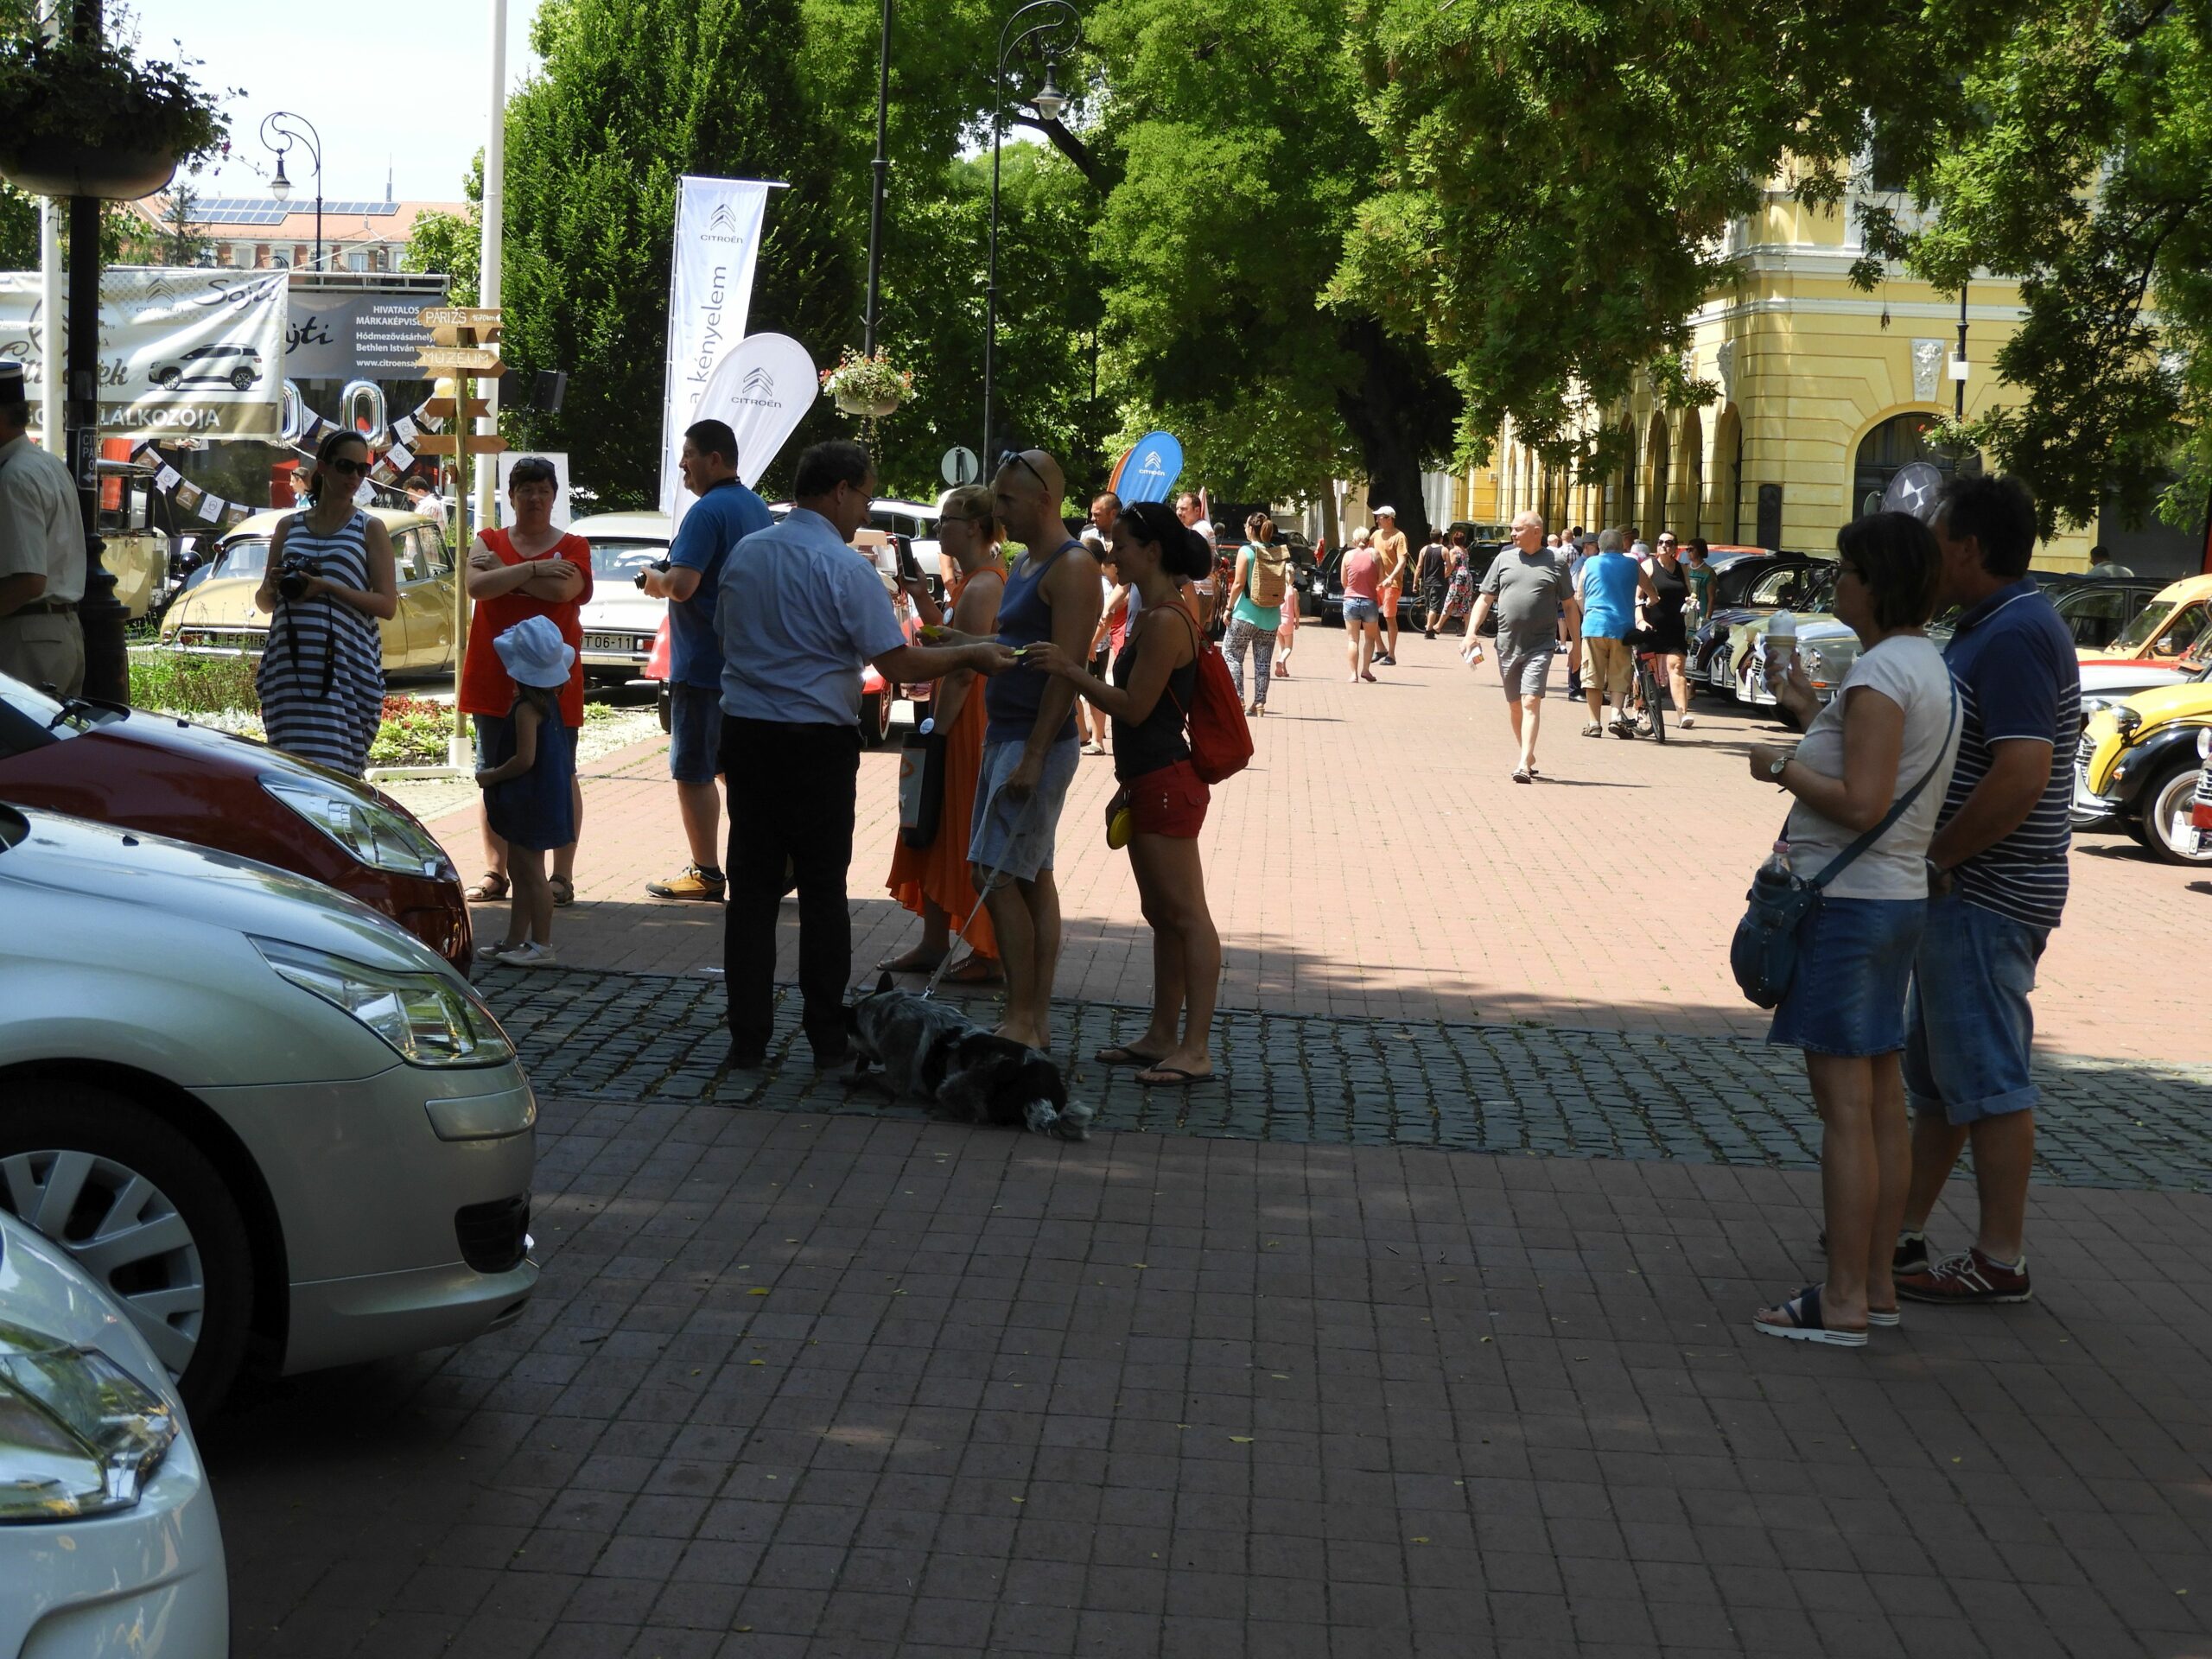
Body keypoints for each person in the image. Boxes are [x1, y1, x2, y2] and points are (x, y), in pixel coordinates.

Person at [718, 440, 1013, 1068]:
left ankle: (748, 1037)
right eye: (865, 495)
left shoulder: (747, 552)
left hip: (746, 733)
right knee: (823, 891)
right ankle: (826, 1036)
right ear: (838, 492)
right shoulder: (844, 567)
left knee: (751, 891)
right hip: (814, 742)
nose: (865, 510)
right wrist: (970, 653)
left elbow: (727, 635)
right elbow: (898, 661)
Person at [1746, 512, 1961, 1344]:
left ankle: (1841, 1298)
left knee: (1847, 1109)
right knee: (1878, 1105)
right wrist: (1810, 715)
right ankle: (1873, 1286)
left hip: (1849, 905)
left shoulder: (1880, 673)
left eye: (1845, 568)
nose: (1835, 580)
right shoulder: (1925, 667)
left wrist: (1782, 766)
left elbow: (1862, 802)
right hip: (1895, 896)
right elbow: (1881, 779)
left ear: (1875, 582)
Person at [1896, 474, 2082, 1305]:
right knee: (1944, 1082)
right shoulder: (1997, 626)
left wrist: (1939, 858)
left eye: (1937, 541)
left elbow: (2022, 772)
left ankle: (1999, 1257)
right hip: (1975, 889)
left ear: (1967, 548)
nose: (1930, 558)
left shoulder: (2012, 634)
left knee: (1990, 1080)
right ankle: (1898, 1231)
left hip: (1986, 891)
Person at [1026, 499, 1219, 1087]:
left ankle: (1195, 1048)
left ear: (1152, 551)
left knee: (1186, 917)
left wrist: (1071, 670)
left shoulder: (1165, 619)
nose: (1112, 555)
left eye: (1123, 545)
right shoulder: (1159, 611)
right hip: (1149, 780)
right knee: (1161, 915)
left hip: (1166, 780)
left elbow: (1134, 707)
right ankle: (1164, 1035)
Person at [971, 448, 1103, 1052]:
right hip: (1008, 733)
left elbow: (1065, 669)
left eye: (1007, 500)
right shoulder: (1027, 560)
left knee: (992, 872)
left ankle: (1024, 1016)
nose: (998, 512)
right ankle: (1031, 1019)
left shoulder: (1072, 566)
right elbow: (1022, 644)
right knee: (1028, 875)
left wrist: (1033, 755)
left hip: (1034, 741)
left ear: (1044, 500)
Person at [639, 419, 772, 902]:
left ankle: (707, 872)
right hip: (746, 665)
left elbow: (682, 585)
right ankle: (760, 866)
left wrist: (653, 577)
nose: (682, 465)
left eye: (690, 454)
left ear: (715, 459)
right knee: (738, 773)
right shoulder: (755, 507)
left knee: (693, 770)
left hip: (701, 666)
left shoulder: (705, 512)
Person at [882, 483, 1009, 983]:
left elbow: (963, 670)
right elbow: (955, 639)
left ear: (974, 527)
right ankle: (935, 943)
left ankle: (986, 951)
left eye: (947, 522)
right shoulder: (974, 582)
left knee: (955, 828)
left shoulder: (983, 585)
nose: (939, 532)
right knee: (934, 829)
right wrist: (922, 602)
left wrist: (939, 731)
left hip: (962, 720)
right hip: (956, 716)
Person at [460, 456, 592, 906]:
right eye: (524, 490)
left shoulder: (575, 546)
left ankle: (562, 876)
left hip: (553, 686)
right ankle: (495, 871)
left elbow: (563, 592)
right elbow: (477, 588)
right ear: (510, 497)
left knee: (558, 771)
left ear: (554, 497)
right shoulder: (487, 539)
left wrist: (505, 575)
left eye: (542, 490)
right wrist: (534, 570)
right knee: (493, 772)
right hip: (493, 680)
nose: (534, 498)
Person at [252, 430, 396, 777]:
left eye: (362, 469)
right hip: (290, 667)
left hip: (347, 671)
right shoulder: (288, 526)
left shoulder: (369, 528)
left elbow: (387, 605)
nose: (354, 477)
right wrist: (272, 585)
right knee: (290, 775)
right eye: (346, 466)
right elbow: (264, 602)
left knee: (338, 777)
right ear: (323, 468)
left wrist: (327, 587)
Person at [473, 616, 581, 969]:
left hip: (529, 799)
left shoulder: (524, 710)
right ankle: (515, 940)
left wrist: (492, 775)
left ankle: (542, 942)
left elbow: (524, 760)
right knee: (520, 870)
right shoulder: (547, 703)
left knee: (532, 873)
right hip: (539, 797)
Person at [1466, 511, 1575, 782]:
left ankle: (1523, 764)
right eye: (1512, 530)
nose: (1512, 534)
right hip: (1507, 645)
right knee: (1515, 705)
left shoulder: (1556, 562)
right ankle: (1527, 752)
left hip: (1541, 645)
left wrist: (1579, 646)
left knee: (1530, 701)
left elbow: (1570, 606)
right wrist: (1471, 633)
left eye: (1518, 529)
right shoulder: (1504, 558)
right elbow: (1485, 598)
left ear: (1536, 531)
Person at [0, 363, 86, 697]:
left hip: (26, 636)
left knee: (18, 749)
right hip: (62, 632)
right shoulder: (47, 463)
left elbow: (29, 581)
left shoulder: (13, 477)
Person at [1578, 529, 1656, 739]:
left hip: (1594, 626)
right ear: (1623, 546)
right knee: (1620, 673)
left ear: (1600, 547)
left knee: (1592, 675)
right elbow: (1648, 586)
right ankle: (1615, 716)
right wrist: (1653, 598)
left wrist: (1588, 612)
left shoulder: (1590, 563)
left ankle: (1594, 723)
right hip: (1622, 628)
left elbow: (1579, 595)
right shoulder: (1632, 564)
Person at [1223, 511, 1287, 715]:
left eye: (1245, 525)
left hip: (1245, 614)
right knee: (1263, 661)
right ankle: (1259, 703)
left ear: (1251, 528)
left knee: (1232, 656)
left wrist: (1228, 608)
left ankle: (1238, 699)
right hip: (1271, 616)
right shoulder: (1277, 552)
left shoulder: (1246, 551)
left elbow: (1239, 584)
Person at [1642, 531, 1697, 730]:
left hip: (1674, 626)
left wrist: (1691, 602)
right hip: (1651, 627)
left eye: (1669, 543)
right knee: (1648, 670)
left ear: (1675, 548)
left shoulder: (1682, 569)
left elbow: (1688, 593)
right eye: (1660, 542)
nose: (1664, 545)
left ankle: (1683, 714)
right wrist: (1640, 618)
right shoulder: (1648, 566)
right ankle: (1639, 710)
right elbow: (1636, 597)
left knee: (1677, 667)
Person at [1371, 505, 1408, 664]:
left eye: (1380, 517)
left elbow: (1402, 561)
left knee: (1389, 617)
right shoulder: (1376, 535)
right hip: (1377, 583)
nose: (1377, 519)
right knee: (1369, 616)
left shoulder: (1399, 536)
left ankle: (1391, 655)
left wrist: (1391, 577)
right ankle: (1380, 648)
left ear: (1389, 518)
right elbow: (1368, 552)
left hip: (1392, 584)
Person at [1416, 530, 1448, 639]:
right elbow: (1449, 566)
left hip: (1427, 582)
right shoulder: (1444, 550)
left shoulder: (1424, 549)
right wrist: (1445, 575)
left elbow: (1419, 566)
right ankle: (1429, 630)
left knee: (1428, 606)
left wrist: (1415, 581)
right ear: (1441, 538)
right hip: (1438, 582)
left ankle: (1428, 627)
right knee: (1434, 607)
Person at [1442, 531, 1475, 633]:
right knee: (1465, 604)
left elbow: (1451, 566)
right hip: (1468, 579)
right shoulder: (1465, 551)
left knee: (1450, 600)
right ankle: (1467, 630)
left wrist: (1444, 575)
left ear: (1453, 540)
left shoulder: (1453, 551)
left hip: (1458, 579)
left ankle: (1438, 625)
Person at [1683, 537, 1714, 630]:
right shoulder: (1684, 569)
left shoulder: (1708, 572)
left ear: (1700, 550)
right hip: (1685, 613)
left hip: (1700, 615)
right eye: (1687, 549)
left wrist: (1707, 619)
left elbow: (1711, 599)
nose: (1688, 552)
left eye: (1691, 549)